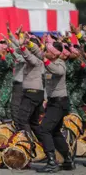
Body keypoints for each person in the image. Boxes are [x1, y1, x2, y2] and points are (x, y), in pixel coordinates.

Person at [36, 41, 75, 173]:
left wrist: (45, 60)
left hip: (59, 103)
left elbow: (57, 71)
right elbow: (38, 55)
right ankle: (68, 160)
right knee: (55, 131)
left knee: (44, 129)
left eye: (48, 51)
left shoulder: (60, 64)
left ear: (54, 54)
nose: (46, 53)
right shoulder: (49, 64)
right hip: (53, 102)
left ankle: (52, 161)